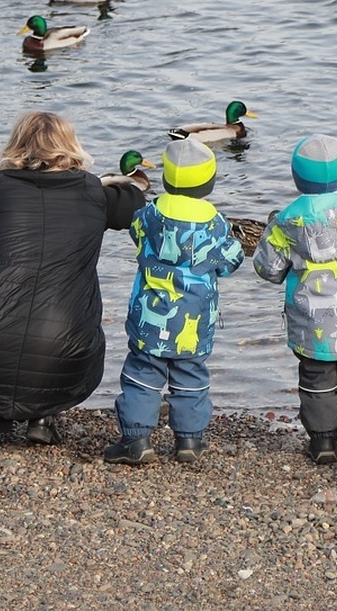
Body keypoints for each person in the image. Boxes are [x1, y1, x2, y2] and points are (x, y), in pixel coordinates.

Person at [0, 111, 145, 445]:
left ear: (15, 146)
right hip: (62, 359)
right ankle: (43, 415)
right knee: (67, 318)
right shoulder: (92, 194)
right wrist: (99, 185)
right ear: (70, 150)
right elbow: (135, 202)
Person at [252, 134, 337, 464]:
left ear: (297, 177)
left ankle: (323, 444)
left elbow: (268, 269)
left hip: (309, 324)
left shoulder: (285, 221)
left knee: (316, 382)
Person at [103, 139, 245, 465]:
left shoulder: (150, 214)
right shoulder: (216, 223)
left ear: (166, 180)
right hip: (195, 320)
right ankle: (189, 441)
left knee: (142, 372)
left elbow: (136, 233)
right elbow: (231, 261)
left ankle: (137, 441)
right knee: (191, 375)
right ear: (209, 183)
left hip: (149, 315)